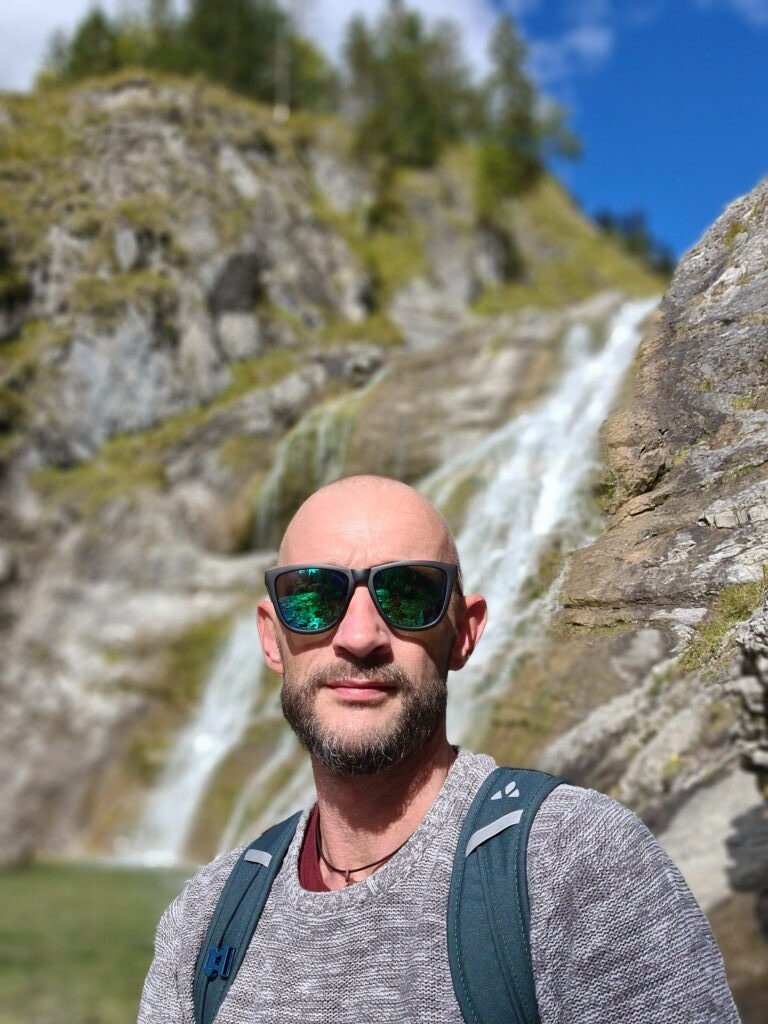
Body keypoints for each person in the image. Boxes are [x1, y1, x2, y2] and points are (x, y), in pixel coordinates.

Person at [138, 474, 741, 1023]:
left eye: (407, 594)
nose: (359, 637)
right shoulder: (209, 917)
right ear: (273, 638)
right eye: (315, 597)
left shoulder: (576, 865)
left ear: (465, 631)